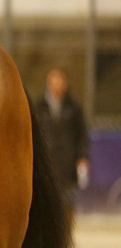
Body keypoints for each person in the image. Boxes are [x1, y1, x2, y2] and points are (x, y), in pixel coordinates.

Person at [35, 68, 90, 207]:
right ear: (48, 84)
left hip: (67, 163)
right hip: (46, 162)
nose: (57, 85)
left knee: (67, 202)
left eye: (60, 82)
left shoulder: (74, 108)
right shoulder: (39, 108)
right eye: (54, 82)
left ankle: (66, 227)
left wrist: (82, 158)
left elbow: (82, 134)